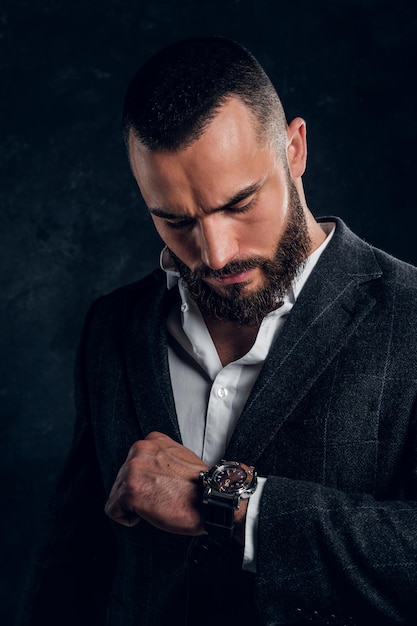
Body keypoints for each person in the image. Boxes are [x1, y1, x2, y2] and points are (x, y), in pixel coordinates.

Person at [19, 36, 417, 626]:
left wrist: (231, 502)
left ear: (295, 149)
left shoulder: (408, 317)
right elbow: (72, 566)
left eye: (239, 203)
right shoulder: (112, 328)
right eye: (175, 220)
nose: (215, 252)